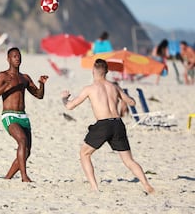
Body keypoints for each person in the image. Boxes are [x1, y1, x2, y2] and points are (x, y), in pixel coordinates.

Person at [61, 59, 154, 194]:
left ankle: (94, 187)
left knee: (84, 154)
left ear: (93, 71)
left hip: (103, 125)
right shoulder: (114, 86)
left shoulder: (89, 88)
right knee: (129, 160)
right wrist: (122, 96)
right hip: (117, 123)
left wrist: (64, 98)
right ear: (107, 72)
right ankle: (146, 185)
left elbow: (70, 106)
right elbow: (132, 102)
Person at [0, 47, 48, 182]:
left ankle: (7, 178)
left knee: (27, 151)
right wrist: (7, 86)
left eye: (19, 56)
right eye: (14, 56)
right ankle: (24, 176)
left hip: (23, 116)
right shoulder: (3, 76)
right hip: (9, 116)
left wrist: (41, 84)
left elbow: (39, 95)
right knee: (22, 141)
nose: (17, 58)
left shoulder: (25, 77)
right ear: (8, 59)